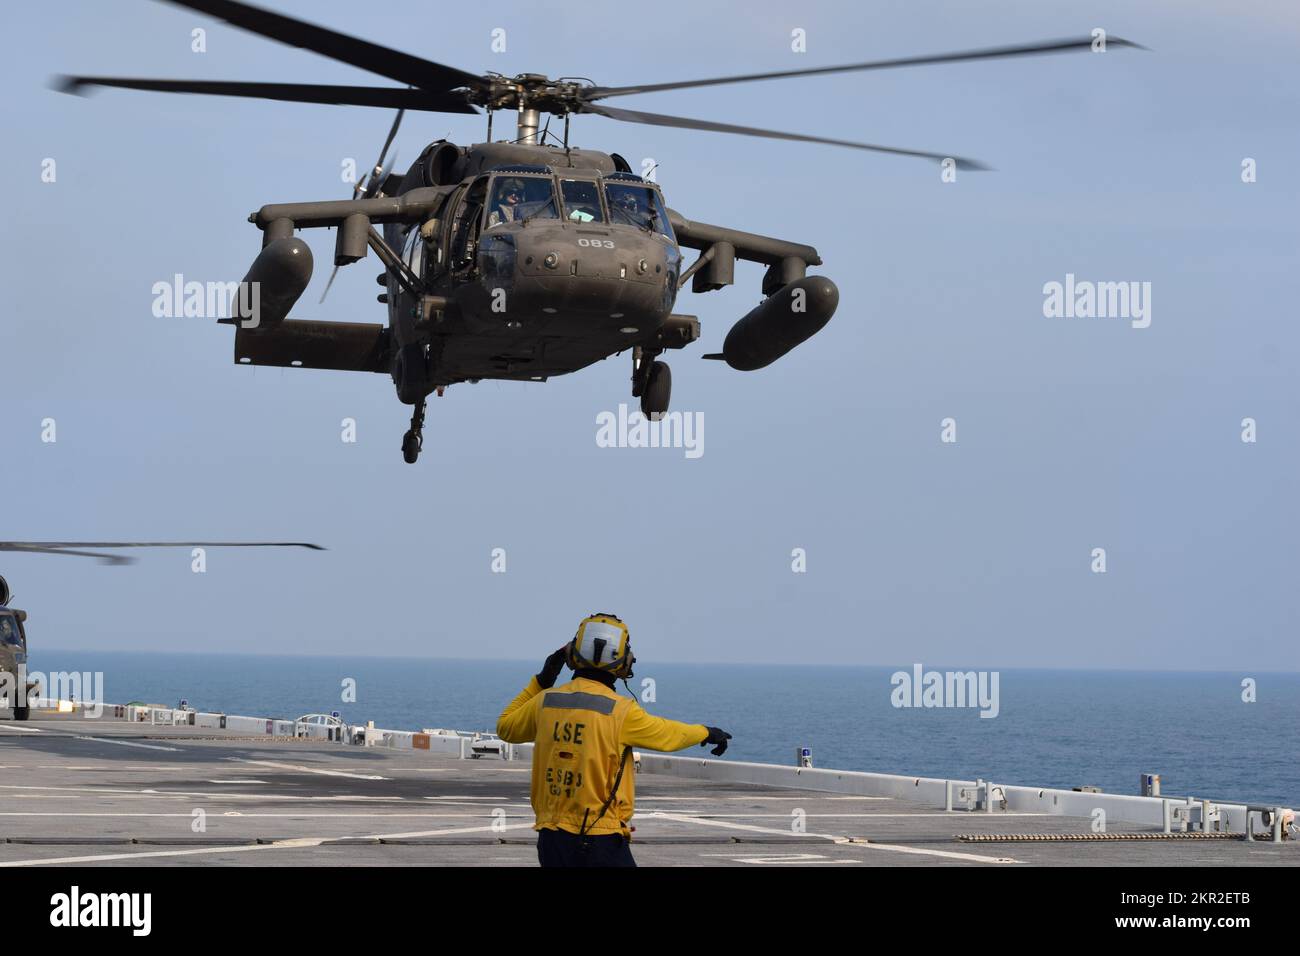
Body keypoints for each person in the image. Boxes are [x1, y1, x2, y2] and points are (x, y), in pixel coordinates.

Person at [496, 612, 732, 867]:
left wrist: (542, 680)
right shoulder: (620, 711)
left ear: (571, 656)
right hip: (599, 838)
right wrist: (707, 732)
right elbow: (669, 735)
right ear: (623, 662)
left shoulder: (546, 701)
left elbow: (505, 727)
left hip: (552, 840)